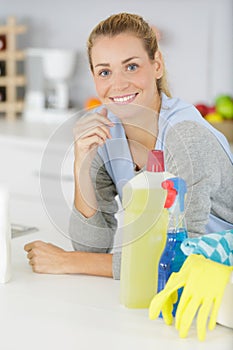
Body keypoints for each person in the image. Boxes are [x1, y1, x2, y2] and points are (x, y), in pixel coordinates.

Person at [25, 12, 233, 280]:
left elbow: (179, 258)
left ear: (156, 64)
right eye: (105, 72)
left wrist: (68, 261)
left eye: (131, 66)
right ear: (93, 77)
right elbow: (91, 246)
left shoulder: (186, 135)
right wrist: (82, 165)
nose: (118, 83)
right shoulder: (104, 130)